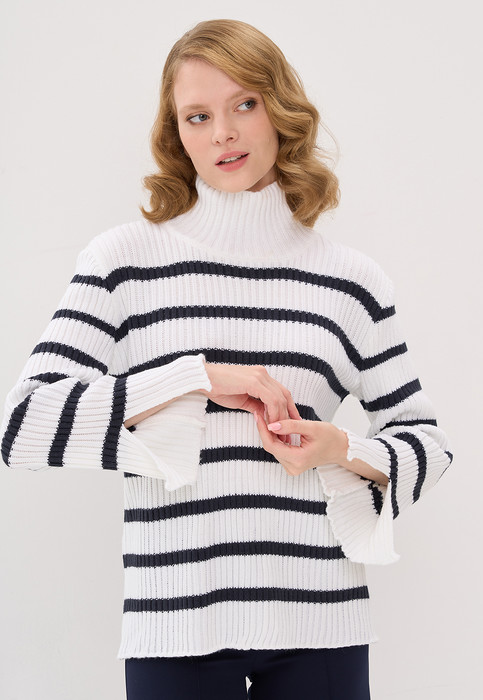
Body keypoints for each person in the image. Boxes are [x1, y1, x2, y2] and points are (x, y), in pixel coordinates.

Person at [1, 18, 453, 700]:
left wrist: (339, 448)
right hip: (175, 623)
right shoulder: (124, 261)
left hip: (320, 621)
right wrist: (197, 378)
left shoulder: (351, 281)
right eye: (198, 116)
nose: (223, 134)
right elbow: (23, 422)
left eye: (244, 103)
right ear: (176, 133)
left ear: (281, 110)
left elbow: (428, 445)